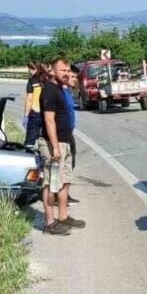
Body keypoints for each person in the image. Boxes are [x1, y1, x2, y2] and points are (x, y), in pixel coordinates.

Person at [37, 58, 85, 235]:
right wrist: (55, 147)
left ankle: (63, 217)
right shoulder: (49, 90)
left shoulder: (60, 89)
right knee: (50, 184)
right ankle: (50, 223)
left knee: (64, 181)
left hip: (65, 141)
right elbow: (49, 120)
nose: (65, 73)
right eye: (62, 70)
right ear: (53, 71)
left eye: (67, 70)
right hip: (53, 144)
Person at [64, 69, 81, 206]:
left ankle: (65, 195)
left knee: (70, 165)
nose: (75, 79)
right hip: (63, 135)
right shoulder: (62, 93)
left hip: (69, 133)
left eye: (76, 77)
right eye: (73, 77)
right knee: (65, 166)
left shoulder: (69, 92)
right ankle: (61, 197)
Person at [24, 63, 48, 147]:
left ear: (32, 69)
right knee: (45, 140)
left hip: (35, 113)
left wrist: (26, 116)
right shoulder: (46, 79)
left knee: (30, 142)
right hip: (46, 113)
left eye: (29, 69)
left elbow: (30, 99)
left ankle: (30, 157)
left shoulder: (32, 81)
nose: (29, 72)